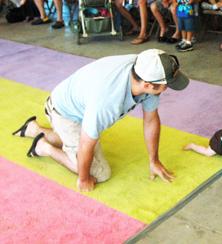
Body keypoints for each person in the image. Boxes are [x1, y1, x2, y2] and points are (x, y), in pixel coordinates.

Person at [12, 49, 190, 192]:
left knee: (86, 141)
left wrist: (154, 160)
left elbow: (151, 120)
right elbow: (85, 144)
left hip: (84, 106)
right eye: (167, 85)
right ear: (148, 86)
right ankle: (43, 147)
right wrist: (83, 179)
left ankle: (33, 129)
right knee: (101, 173)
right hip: (64, 113)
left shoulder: (144, 68)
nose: (167, 88)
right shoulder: (107, 101)